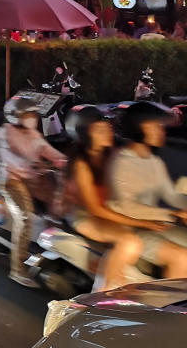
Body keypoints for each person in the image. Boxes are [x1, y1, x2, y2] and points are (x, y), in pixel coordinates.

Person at [65, 106, 177, 290]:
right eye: (100, 130)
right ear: (85, 135)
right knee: (130, 242)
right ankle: (101, 291)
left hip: (113, 212)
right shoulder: (81, 166)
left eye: (108, 127)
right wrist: (143, 222)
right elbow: (95, 209)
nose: (108, 133)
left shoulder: (113, 153)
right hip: (87, 216)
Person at [0, 97, 68, 287]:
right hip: (13, 181)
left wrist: (66, 162)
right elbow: (18, 153)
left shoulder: (33, 133)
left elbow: (47, 150)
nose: (32, 117)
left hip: (34, 180)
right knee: (25, 218)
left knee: (58, 210)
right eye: (28, 114)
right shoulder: (7, 132)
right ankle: (17, 270)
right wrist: (38, 164)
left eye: (33, 114)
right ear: (16, 116)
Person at [108, 101, 187, 268]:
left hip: (155, 226)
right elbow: (126, 207)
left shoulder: (153, 161)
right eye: (155, 126)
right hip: (131, 230)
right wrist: (172, 214)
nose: (161, 131)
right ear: (139, 127)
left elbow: (171, 195)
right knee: (183, 258)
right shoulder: (122, 161)